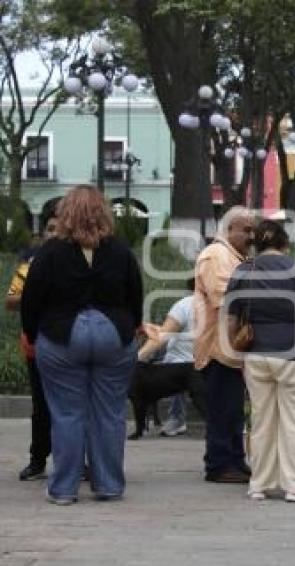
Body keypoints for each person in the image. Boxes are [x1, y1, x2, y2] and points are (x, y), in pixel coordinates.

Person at [21, 185, 142, 504]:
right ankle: (109, 485)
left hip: (62, 333)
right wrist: (131, 329)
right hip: (113, 332)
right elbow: (135, 294)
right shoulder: (120, 249)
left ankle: (63, 489)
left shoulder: (49, 251)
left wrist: (34, 335)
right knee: (110, 413)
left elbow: (31, 299)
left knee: (66, 414)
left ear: (65, 214)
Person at [226, 220, 295, 502]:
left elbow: (230, 319)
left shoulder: (242, 270)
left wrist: (237, 353)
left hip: (256, 355)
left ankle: (258, 484)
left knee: (261, 420)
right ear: (285, 244)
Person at [194, 206, 256, 483]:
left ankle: (235, 460)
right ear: (228, 230)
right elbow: (224, 298)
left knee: (232, 410)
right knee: (223, 410)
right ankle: (219, 464)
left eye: (253, 230)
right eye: (246, 230)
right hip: (218, 349)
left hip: (230, 348)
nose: (251, 236)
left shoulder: (234, 256)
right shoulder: (216, 256)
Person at [7, 211, 58, 481]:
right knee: (41, 406)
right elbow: (10, 301)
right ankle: (38, 459)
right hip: (35, 345)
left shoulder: (74, 262)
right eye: (49, 228)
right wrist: (36, 292)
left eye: (58, 229)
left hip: (66, 344)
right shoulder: (27, 264)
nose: (53, 233)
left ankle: (77, 460)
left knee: (72, 407)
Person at [136, 278, 199, 437]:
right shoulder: (218, 304)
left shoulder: (184, 305)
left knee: (165, 370)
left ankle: (176, 419)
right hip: (207, 360)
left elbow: (162, 336)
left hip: (181, 362)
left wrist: (138, 357)